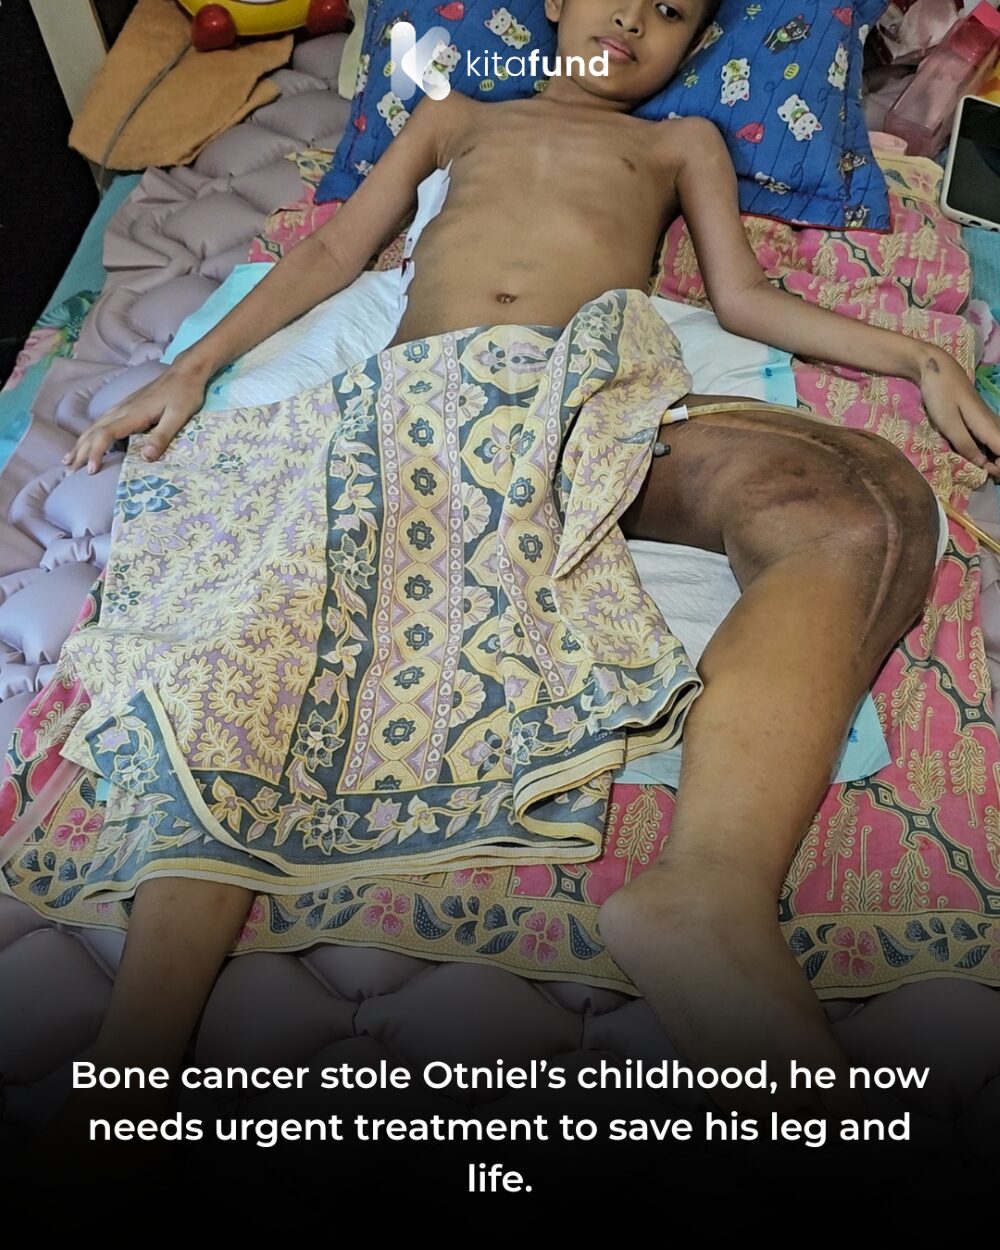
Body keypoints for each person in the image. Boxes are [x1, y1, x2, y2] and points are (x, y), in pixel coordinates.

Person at [52, 0, 1000, 1140]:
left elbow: (745, 299)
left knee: (869, 499)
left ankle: (707, 890)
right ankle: (137, 1056)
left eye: (673, 12)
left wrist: (919, 353)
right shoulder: (456, 116)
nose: (637, 19)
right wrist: (192, 369)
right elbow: (332, 249)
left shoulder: (678, 142)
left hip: (579, 400)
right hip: (418, 408)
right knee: (263, 646)